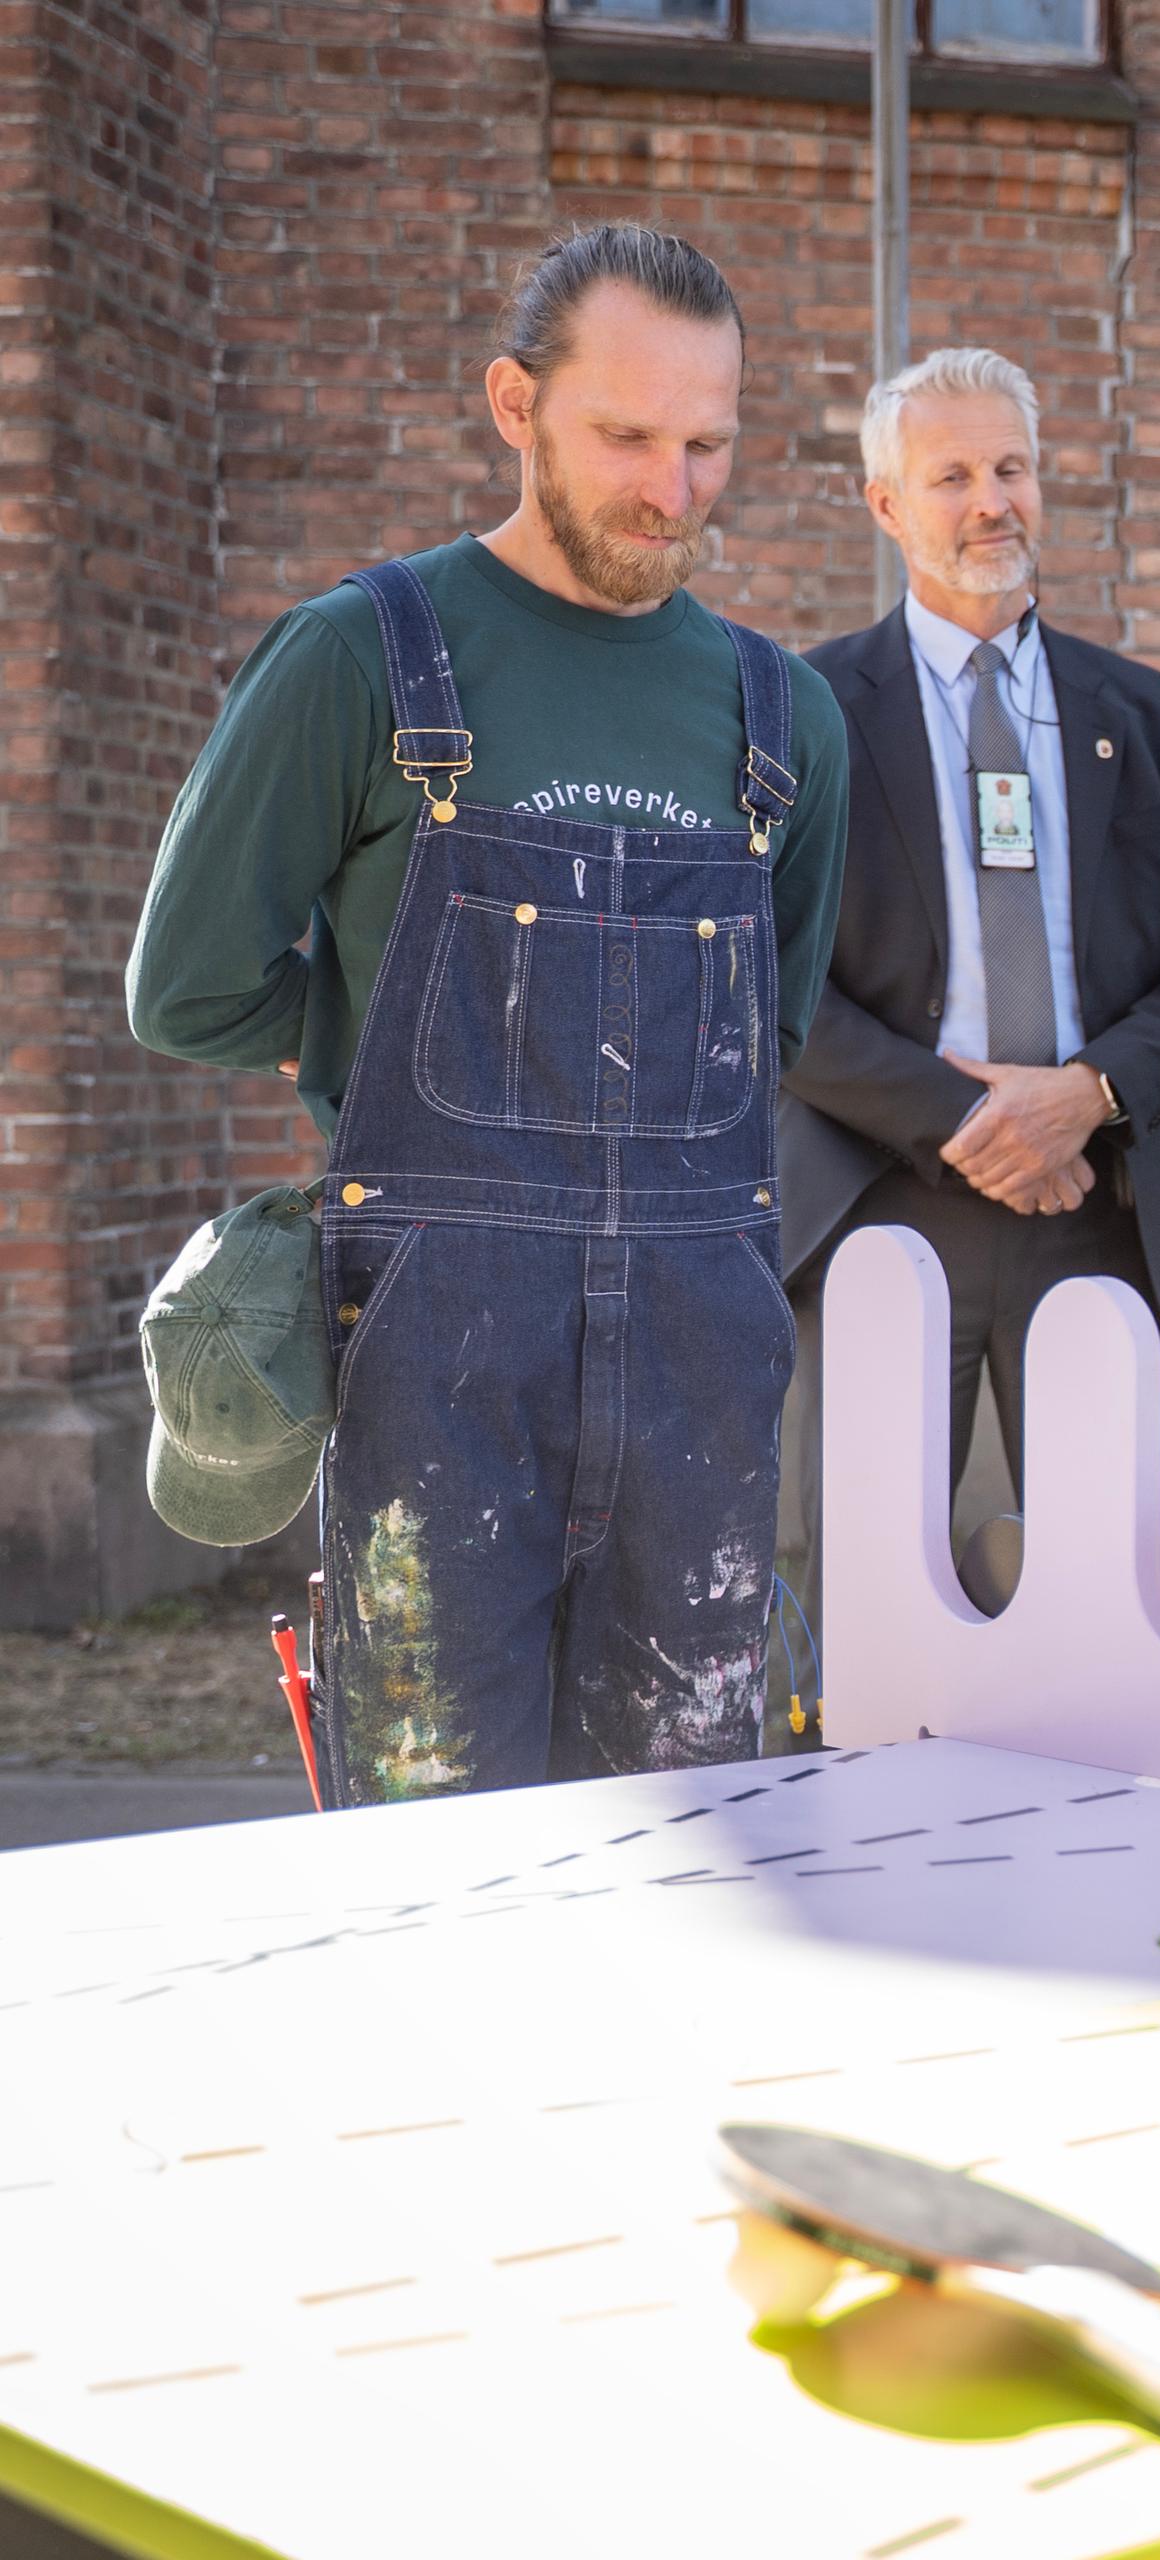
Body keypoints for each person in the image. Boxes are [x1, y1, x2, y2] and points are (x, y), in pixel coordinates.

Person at [128, 225, 850, 1799]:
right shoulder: (362, 661)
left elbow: (765, 1043)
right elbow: (187, 989)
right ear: (513, 405)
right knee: (438, 1858)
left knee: (700, 1849)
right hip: (438, 1370)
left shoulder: (786, 721)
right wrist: (385, 1053)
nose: (675, 490)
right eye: (628, 437)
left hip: (701, 1374)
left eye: (711, 442)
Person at [779, 347, 1160, 1558]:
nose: (991, 499)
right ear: (885, 505)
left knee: (1108, 1569)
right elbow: (771, 980)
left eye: (1013, 467)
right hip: (885, 1203)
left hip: (1098, 1203)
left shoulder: (1146, 716)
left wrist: (1082, 1098)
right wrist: (975, 1125)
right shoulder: (805, 715)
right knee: (869, 1574)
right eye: (953, 474)